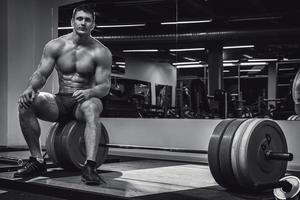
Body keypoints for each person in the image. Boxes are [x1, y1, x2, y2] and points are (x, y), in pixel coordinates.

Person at [15, 4, 112, 185]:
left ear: (93, 24)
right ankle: (37, 160)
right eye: (79, 19)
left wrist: (89, 92)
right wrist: (30, 88)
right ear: (72, 22)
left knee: (92, 106)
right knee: (26, 103)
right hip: (60, 100)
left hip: (84, 102)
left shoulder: (101, 52)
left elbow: (105, 86)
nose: (83, 23)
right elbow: (41, 74)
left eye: (87, 20)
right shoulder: (55, 46)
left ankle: (90, 166)